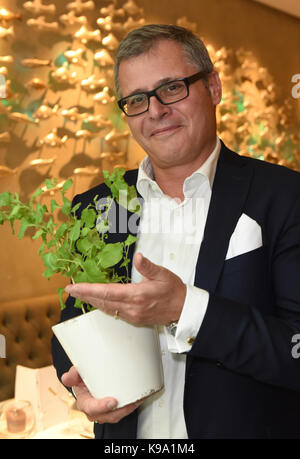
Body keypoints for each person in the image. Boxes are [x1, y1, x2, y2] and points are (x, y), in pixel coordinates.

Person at [51, 24, 300, 439]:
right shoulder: (99, 207)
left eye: (171, 89)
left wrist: (187, 309)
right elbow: (74, 324)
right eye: (136, 99)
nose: (154, 110)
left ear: (214, 87)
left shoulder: (286, 196)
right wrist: (80, 387)